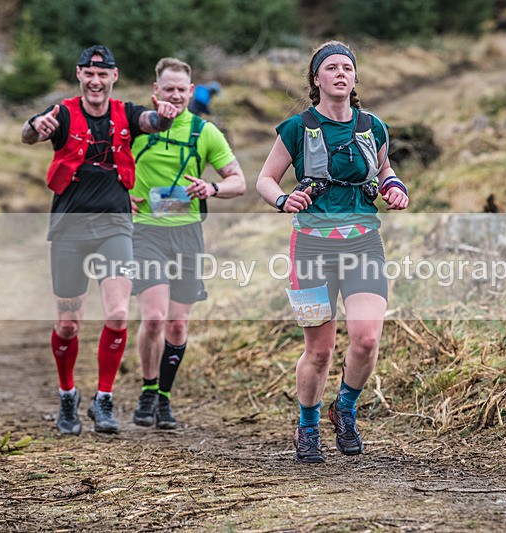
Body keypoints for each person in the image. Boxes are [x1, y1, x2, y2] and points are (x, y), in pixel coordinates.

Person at [256, 40, 408, 463]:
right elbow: (266, 179)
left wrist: (394, 185)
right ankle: (307, 427)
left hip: (363, 243)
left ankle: (345, 408)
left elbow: (383, 169)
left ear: (355, 78)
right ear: (316, 78)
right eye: (332, 68)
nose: (341, 74)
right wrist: (283, 200)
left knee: (366, 340)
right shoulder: (297, 128)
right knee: (320, 350)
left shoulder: (372, 125)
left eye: (347, 68)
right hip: (310, 248)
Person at [21, 45, 180, 436]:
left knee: (118, 314)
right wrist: (34, 129)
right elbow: (29, 133)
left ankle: (103, 398)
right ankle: (67, 396)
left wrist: (164, 115)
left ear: (114, 76)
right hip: (69, 230)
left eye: (102, 75)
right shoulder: (61, 113)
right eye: (88, 75)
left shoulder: (126, 113)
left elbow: (150, 121)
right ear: (79, 75)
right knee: (69, 323)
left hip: (115, 228)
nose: (95, 82)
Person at [130, 58, 246, 430]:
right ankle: (148, 389)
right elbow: (107, 168)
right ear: (155, 92)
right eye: (169, 89)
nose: (176, 95)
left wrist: (211, 187)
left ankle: (164, 396)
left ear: (191, 91)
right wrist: (120, 196)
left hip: (187, 233)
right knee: (154, 317)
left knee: (177, 326)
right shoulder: (138, 127)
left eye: (182, 89)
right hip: (145, 230)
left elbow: (238, 181)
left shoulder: (204, 132)